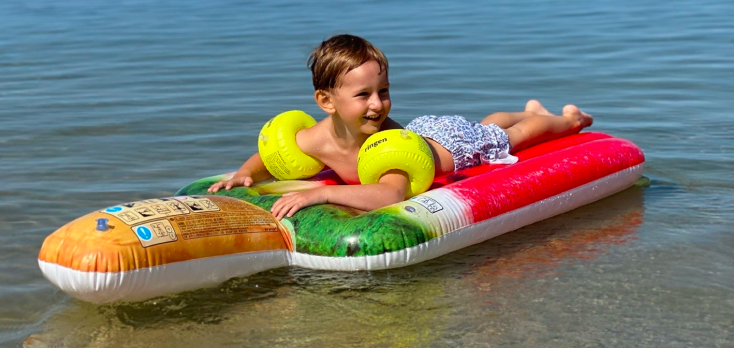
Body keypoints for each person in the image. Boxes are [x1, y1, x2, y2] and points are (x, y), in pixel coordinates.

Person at [208, 34, 593, 220]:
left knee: (507, 137)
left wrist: (320, 196)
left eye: (384, 91)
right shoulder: (313, 139)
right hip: (429, 131)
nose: (377, 104)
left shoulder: (386, 147)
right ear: (326, 102)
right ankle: (527, 108)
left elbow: (390, 195)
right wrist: (244, 173)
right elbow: (272, 155)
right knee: (488, 124)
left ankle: (566, 117)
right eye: (363, 95)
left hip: (448, 143)